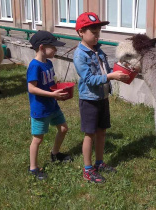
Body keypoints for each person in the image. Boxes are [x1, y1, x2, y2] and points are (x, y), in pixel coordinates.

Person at [73, 12, 130, 183]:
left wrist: (118, 72)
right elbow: (89, 80)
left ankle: (99, 162)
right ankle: (88, 169)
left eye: (98, 31)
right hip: (89, 99)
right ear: (81, 32)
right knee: (90, 134)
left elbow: (105, 72)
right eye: (93, 32)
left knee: (101, 132)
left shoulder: (99, 50)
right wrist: (111, 77)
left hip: (102, 97)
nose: (97, 35)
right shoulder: (80, 55)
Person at [27, 30, 72, 180]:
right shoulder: (35, 66)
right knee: (38, 139)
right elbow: (31, 88)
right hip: (40, 108)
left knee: (64, 128)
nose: (56, 49)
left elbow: (50, 83)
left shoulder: (49, 63)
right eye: (53, 47)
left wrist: (58, 91)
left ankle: (55, 153)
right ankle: (33, 168)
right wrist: (52, 94)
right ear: (42, 47)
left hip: (52, 105)